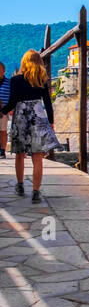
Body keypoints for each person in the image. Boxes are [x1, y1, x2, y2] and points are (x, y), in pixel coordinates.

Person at [1, 49, 58, 202]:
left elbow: (12, 102)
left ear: (24, 62)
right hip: (38, 116)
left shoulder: (16, 80)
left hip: (21, 117)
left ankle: (20, 185)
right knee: (37, 157)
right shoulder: (42, 79)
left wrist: (2, 112)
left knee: (20, 154)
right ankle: (35, 192)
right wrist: (51, 122)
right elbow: (48, 103)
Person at [0, 62, 9, 157]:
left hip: (4, 110)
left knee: (3, 130)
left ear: (4, 71)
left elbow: (12, 96)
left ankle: (2, 150)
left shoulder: (9, 83)